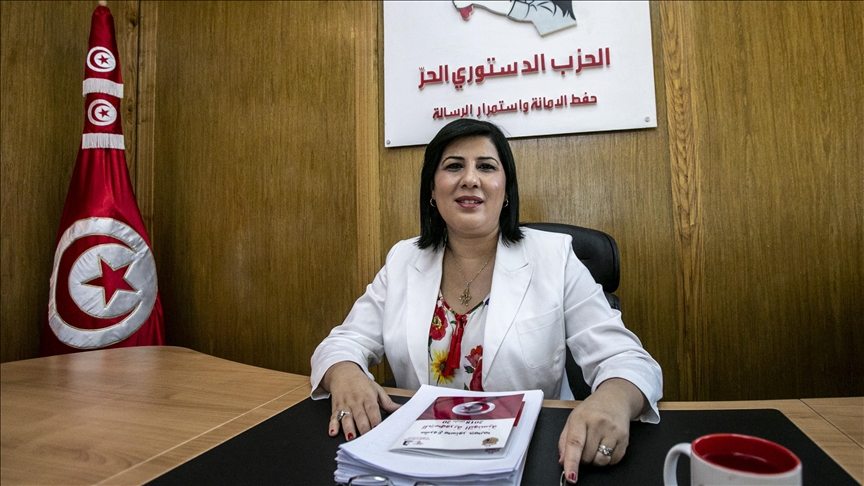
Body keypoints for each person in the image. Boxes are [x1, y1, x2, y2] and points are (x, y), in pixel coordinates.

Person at [310, 119, 662, 484]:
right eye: (453, 166)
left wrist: (614, 399)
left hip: (532, 458)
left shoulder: (553, 257)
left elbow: (628, 360)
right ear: (432, 190)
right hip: (420, 459)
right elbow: (342, 343)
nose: (470, 179)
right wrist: (345, 373)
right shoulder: (403, 260)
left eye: (486, 166)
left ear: (506, 189)